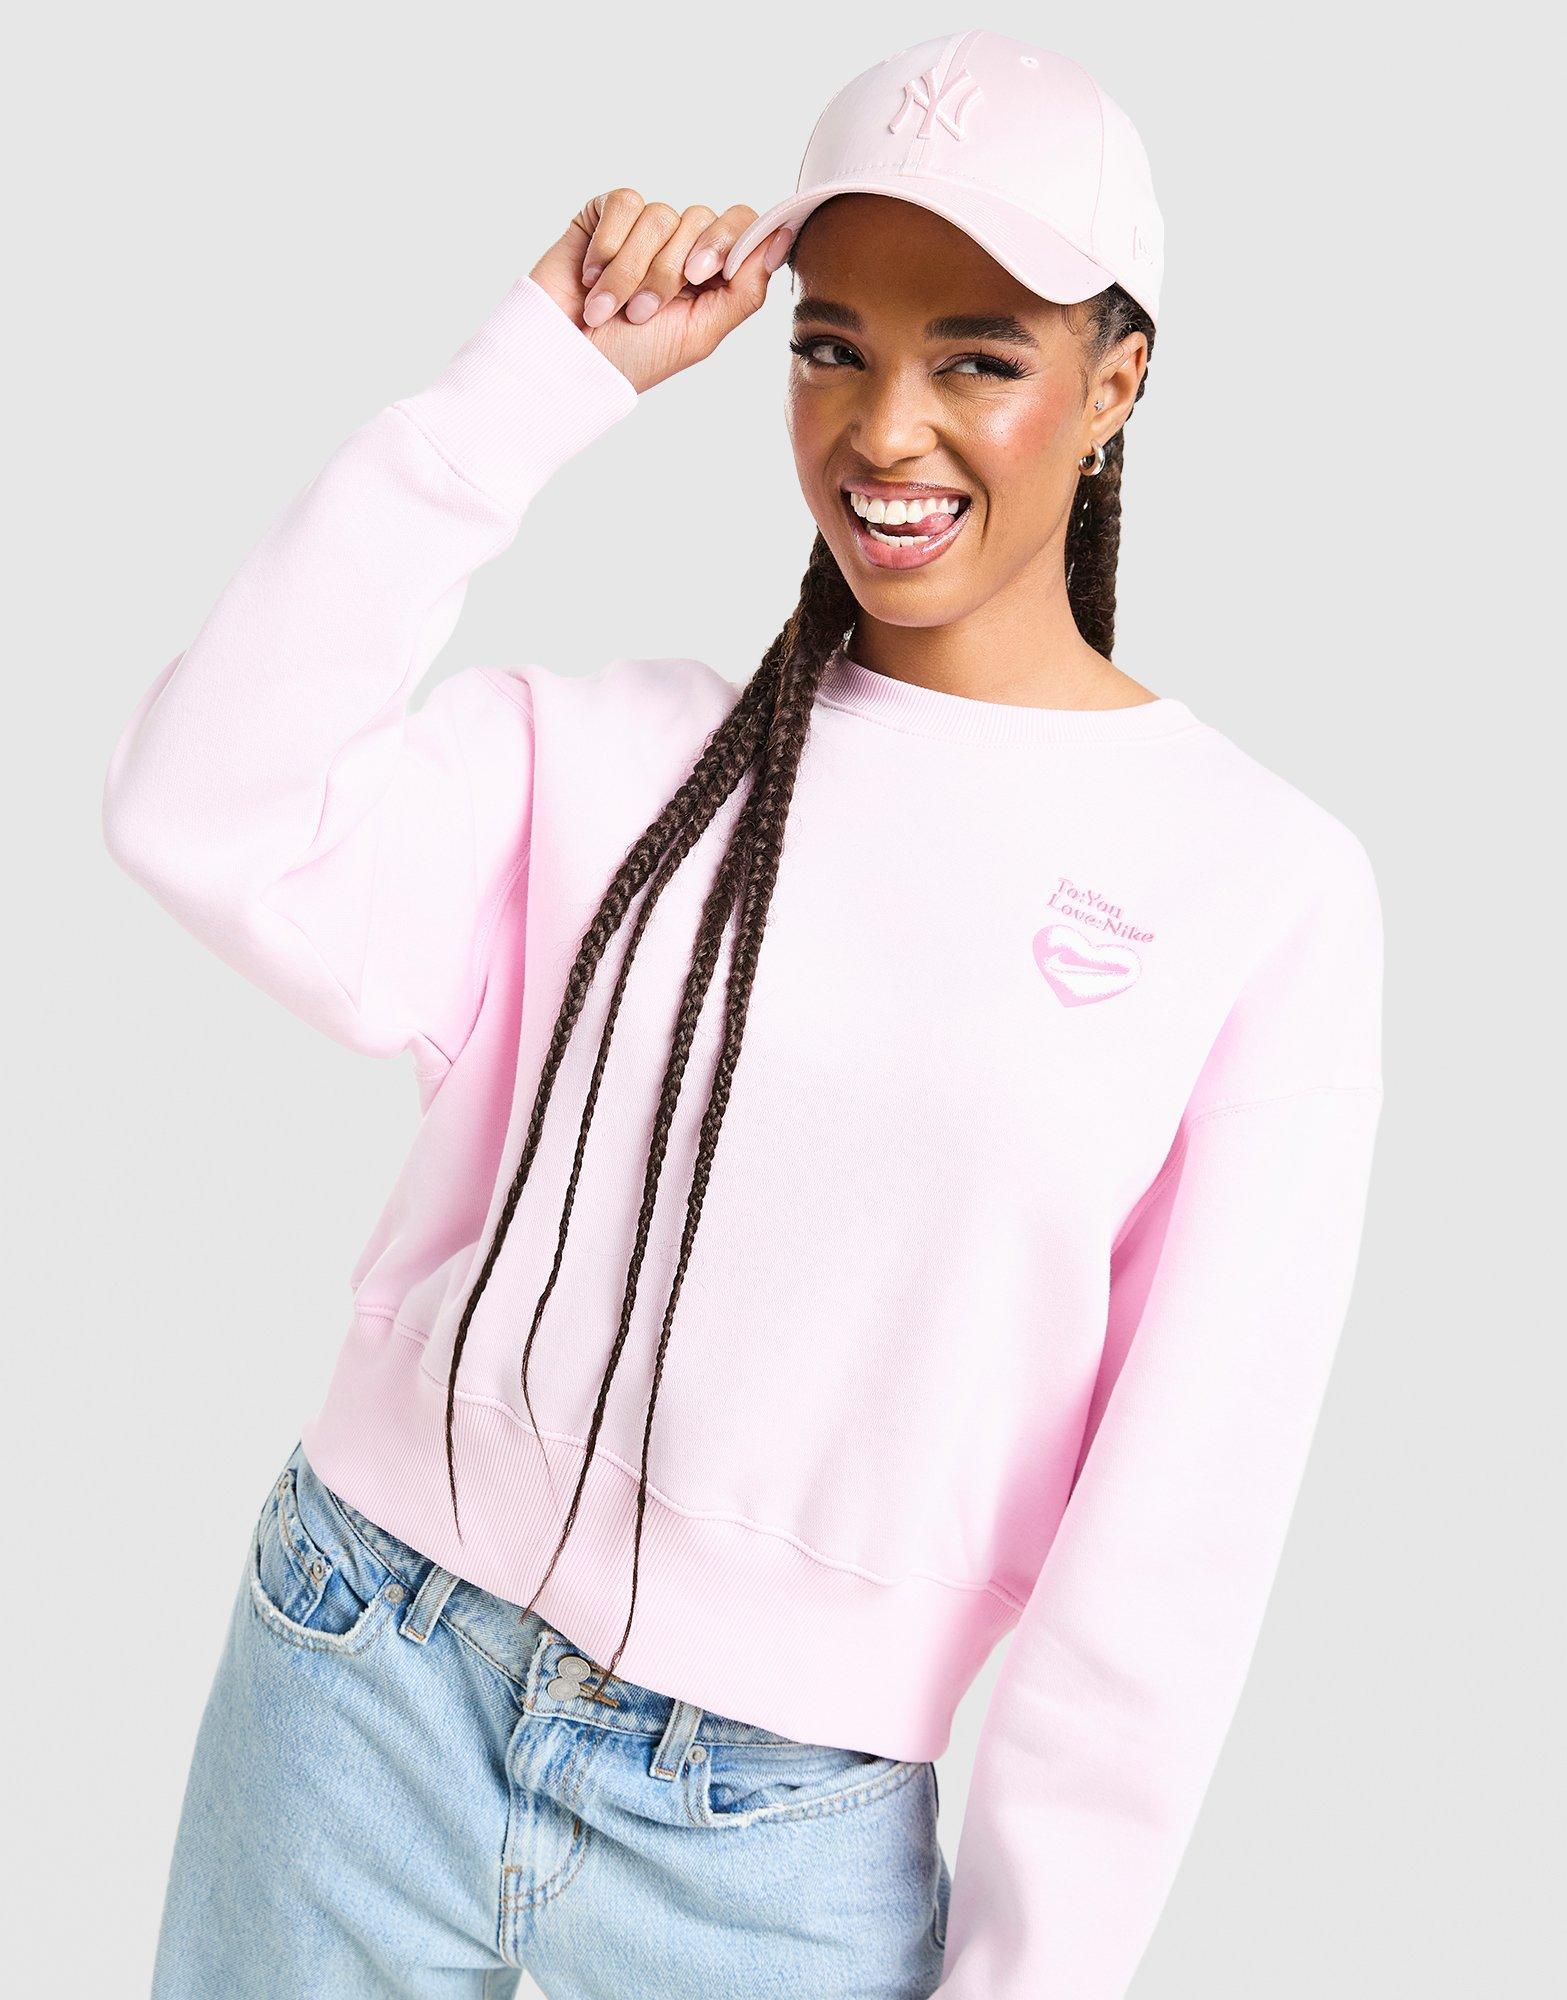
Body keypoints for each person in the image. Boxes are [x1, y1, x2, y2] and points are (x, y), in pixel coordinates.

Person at [104, 29, 1384, 2000]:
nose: (885, 428)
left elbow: (1173, 1539)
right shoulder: (616, 761)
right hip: (358, 1679)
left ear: (1117, 383)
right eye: (830, 345)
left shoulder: (1256, 888)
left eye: (977, 356)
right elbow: (200, 807)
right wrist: (526, 388)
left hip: (774, 1848)